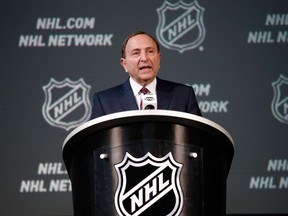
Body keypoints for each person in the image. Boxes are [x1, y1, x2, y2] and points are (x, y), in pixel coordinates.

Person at [90, 31, 201, 119]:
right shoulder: (104, 101)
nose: (144, 58)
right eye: (136, 53)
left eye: (150, 51)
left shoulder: (183, 95)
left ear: (159, 58)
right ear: (124, 64)